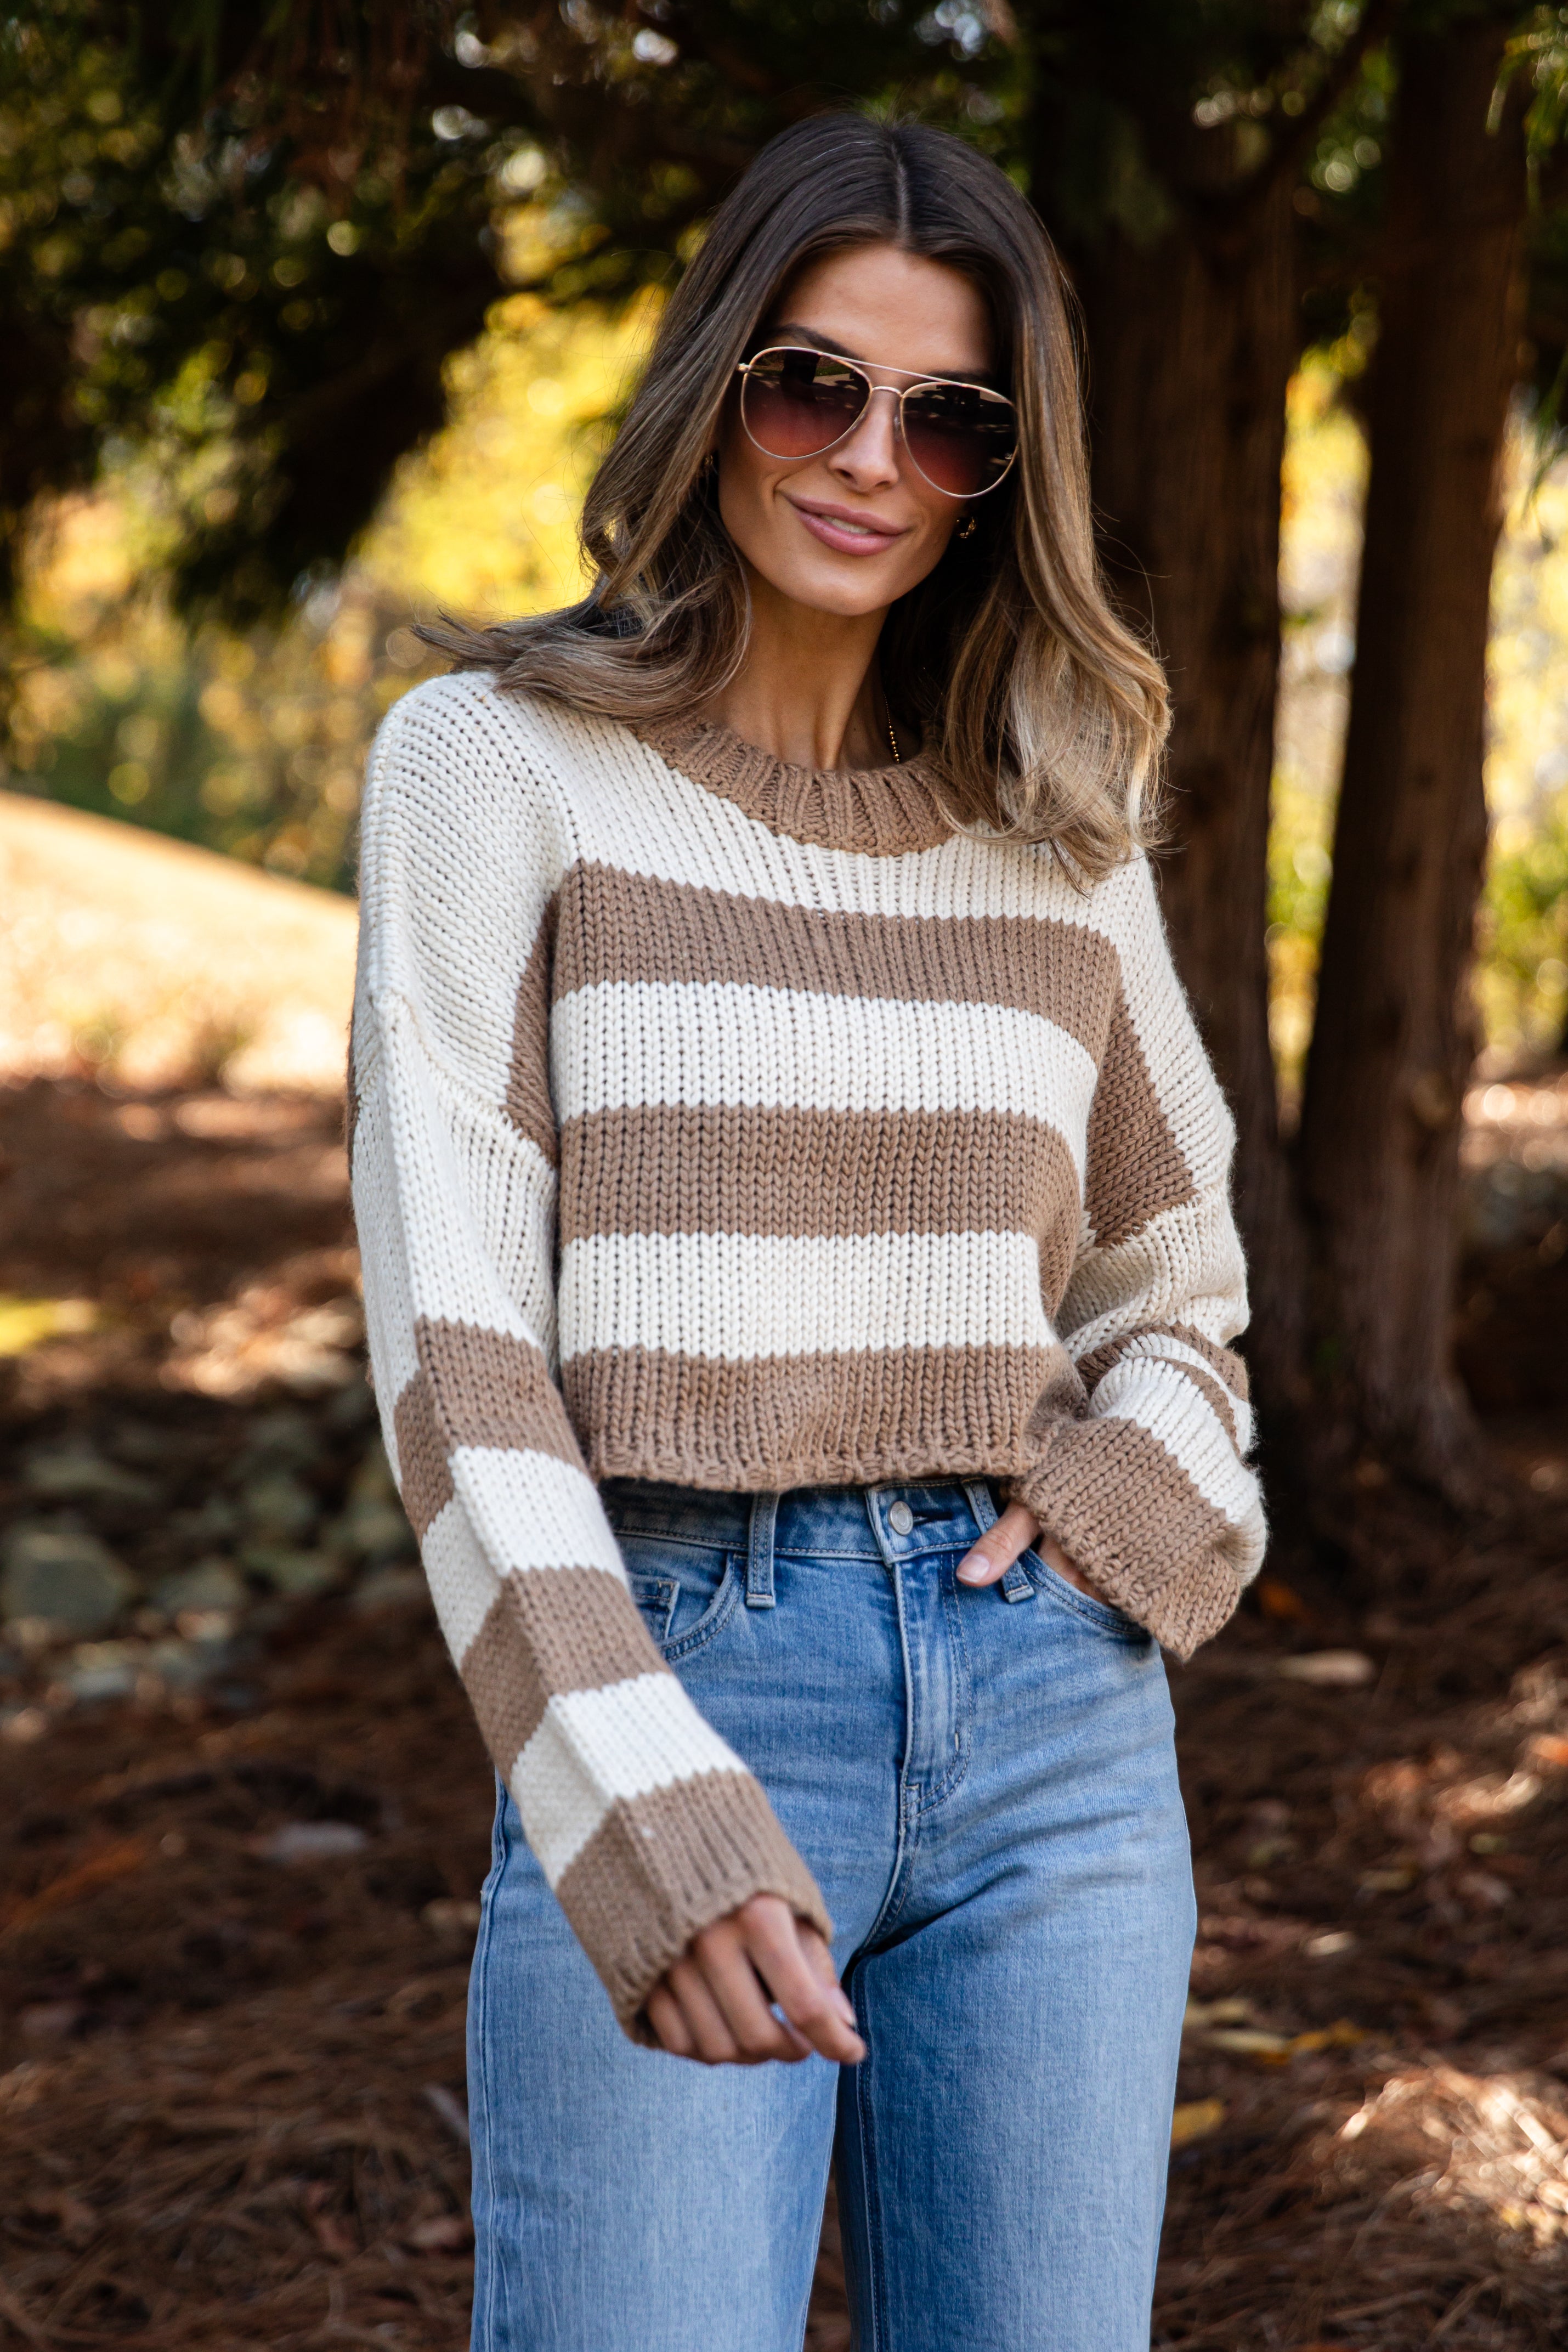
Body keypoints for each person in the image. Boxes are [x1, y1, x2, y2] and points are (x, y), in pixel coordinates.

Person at [349, 111, 1265, 2352]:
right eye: (810, 385)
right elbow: (454, 1331)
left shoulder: (1058, 836)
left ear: (997, 472)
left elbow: (1186, 1290)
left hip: (1055, 1728)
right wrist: (624, 1790)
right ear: (713, 392)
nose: (868, 459)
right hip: (677, 1650)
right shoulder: (496, 766)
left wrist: (1116, 1516)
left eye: (948, 421)